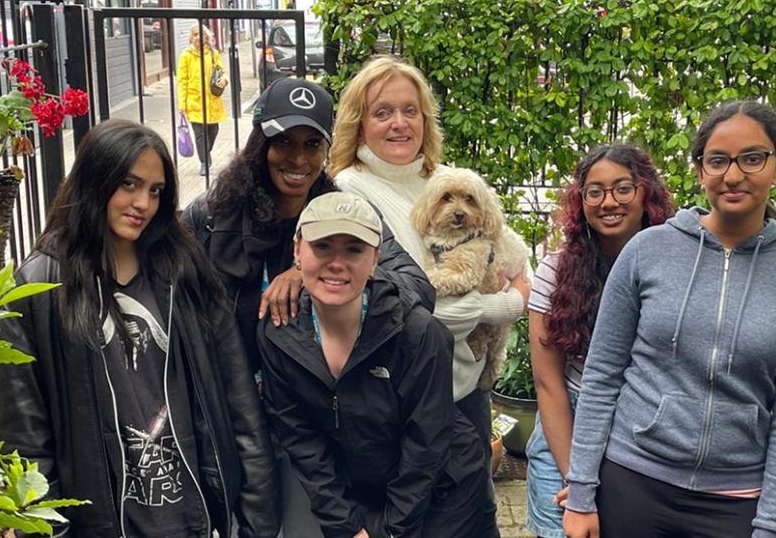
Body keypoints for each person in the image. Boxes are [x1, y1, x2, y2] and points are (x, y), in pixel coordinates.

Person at [562, 101, 776, 538]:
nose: (733, 174)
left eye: (753, 158)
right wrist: (580, 493)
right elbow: (602, 376)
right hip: (632, 480)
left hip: (734, 501)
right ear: (700, 169)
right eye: (718, 160)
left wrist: (771, 524)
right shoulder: (647, 252)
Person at [0, 120, 278, 537]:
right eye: (129, 184)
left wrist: (257, 524)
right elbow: (27, 442)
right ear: (95, 179)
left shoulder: (184, 270)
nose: (143, 203)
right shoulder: (39, 287)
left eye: (155, 190)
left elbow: (239, 405)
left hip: (194, 520)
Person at [182, 77, 433, 537]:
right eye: (284, 143)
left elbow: (416, 287)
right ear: (262, 144)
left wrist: (314, 273)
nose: (298, 159)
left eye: (312, 144)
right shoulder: (212, 216)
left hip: (311, 425)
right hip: (235, 416)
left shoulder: (344, 214)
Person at [328, 55, 529, 481]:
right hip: (403, 400)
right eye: (382, 112)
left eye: (409, 111)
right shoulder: (350, 192)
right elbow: (390, 309)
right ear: (359, 123)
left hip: (467, 389)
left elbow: (510, 258)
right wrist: (496, 307)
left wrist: (512, 292)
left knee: (475, 521)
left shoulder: (441, 178)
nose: (399, 123)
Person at [259, 191, 499, 538]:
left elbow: (427, 443)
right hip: (364, 496)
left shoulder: (418, 334)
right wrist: (346, 525)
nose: (337, 262)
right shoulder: (279, 337)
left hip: (443, 493)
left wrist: (389, 531)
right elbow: (301, 439)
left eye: (354, 249)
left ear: (375, 260)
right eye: (322, 246)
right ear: (297, 250)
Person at [525, 145, 675, 538]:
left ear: (647, 193)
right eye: (595, 191)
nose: (609, 202)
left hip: (642, 431)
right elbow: (548, 383)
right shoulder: (555, 272)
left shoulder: (677, 267)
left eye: (623, 188)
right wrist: (576, 481)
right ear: (581, 201)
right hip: (567, 426)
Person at [177, 23, 228, 176]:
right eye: (195, 34)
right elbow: (182, 80)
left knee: (213, 131)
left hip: (212, 101)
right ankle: (204, 162)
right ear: (191, 38)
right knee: (200, 135)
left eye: (201, 34)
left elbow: (222, 71)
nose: (198, 37)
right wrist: (182, 104)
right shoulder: (186, 55)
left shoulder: (213, 54)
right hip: (194, 101)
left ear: (207, 37)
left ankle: (206, 154)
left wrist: (224, 79)